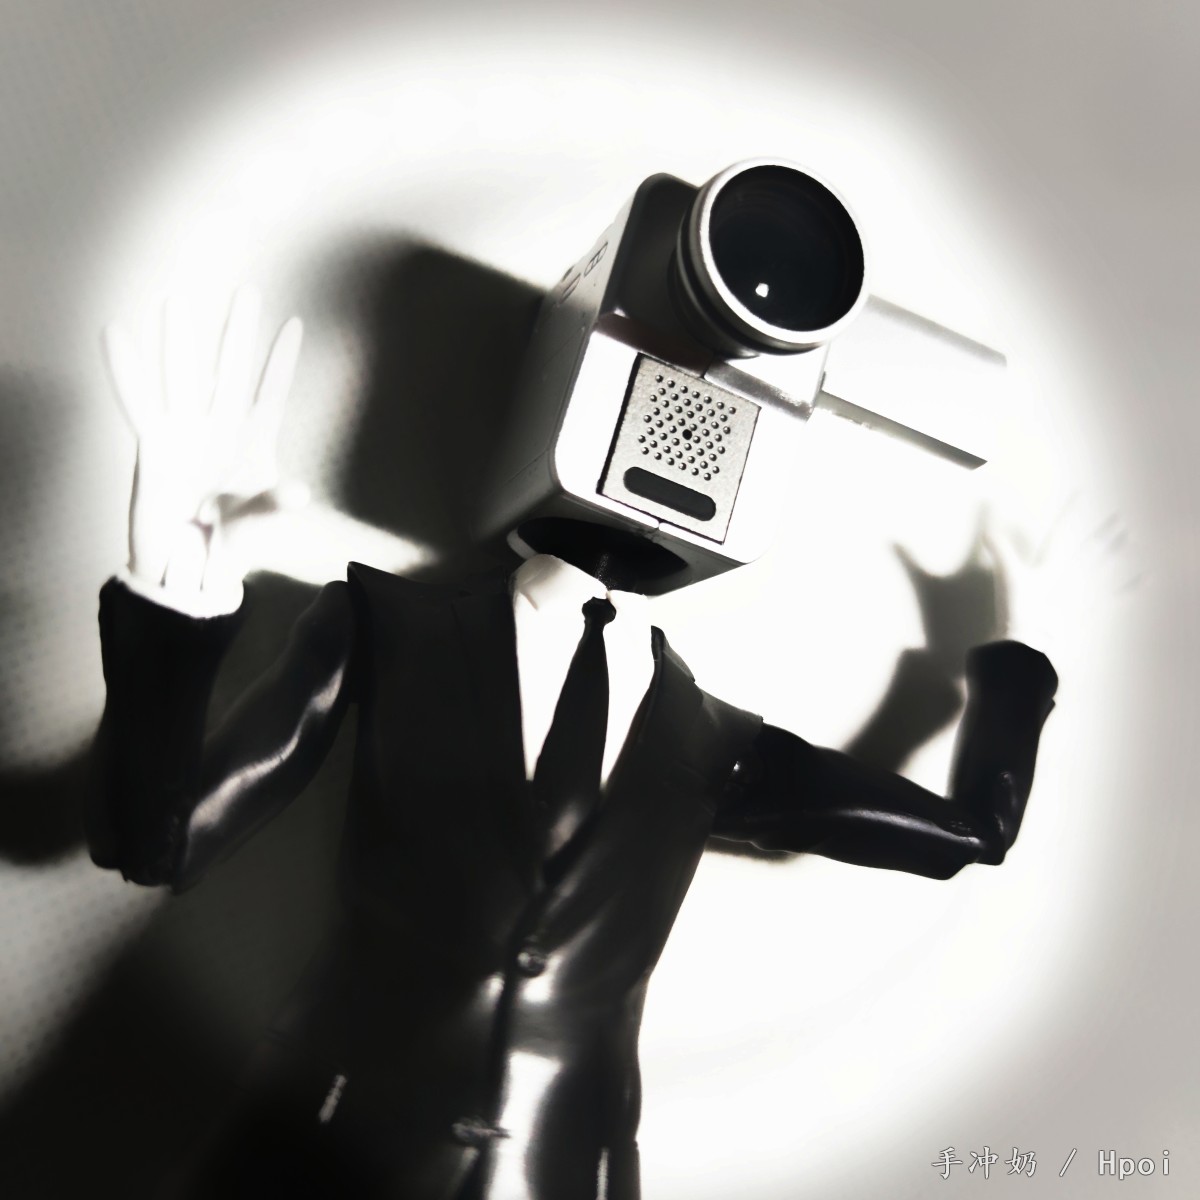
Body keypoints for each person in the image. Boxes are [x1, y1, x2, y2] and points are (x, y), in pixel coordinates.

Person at [89, 291, 1057, 1199]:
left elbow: (968, 832)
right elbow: (158, 839)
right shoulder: (383, 627)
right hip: (325, 1149)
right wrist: (177, 586)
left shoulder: (712, 740)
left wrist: (1017, 661)